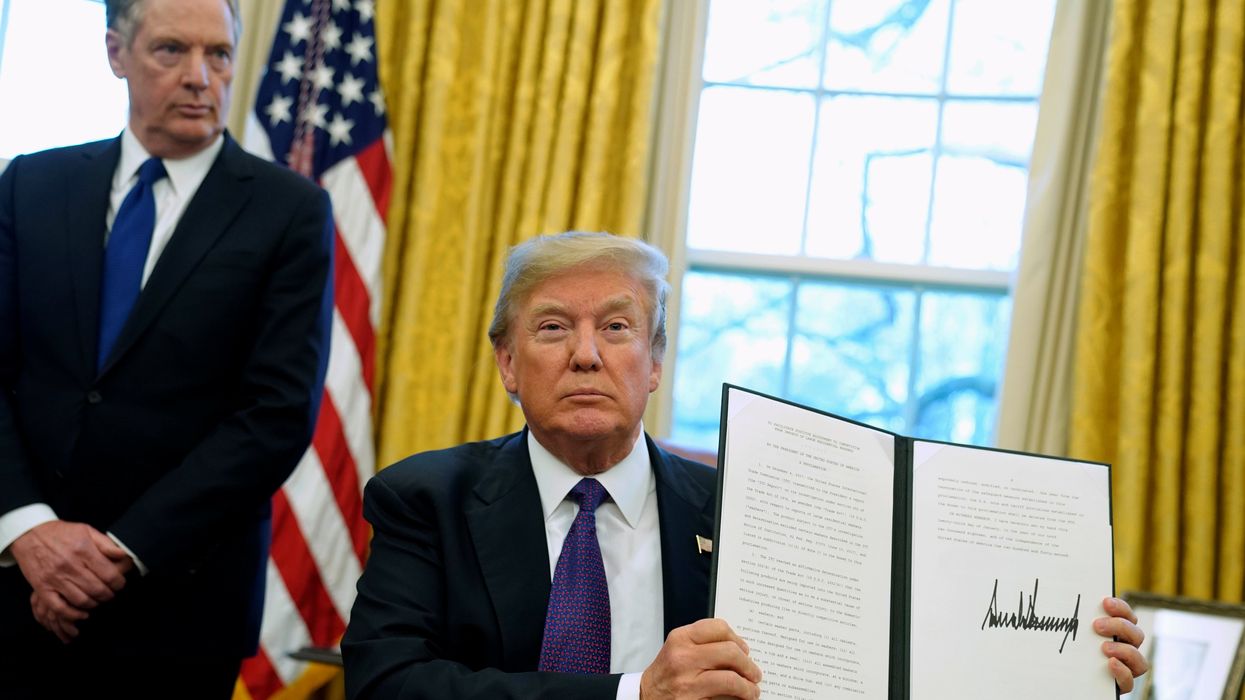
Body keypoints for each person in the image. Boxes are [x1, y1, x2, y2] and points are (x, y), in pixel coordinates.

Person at [341, 231, 1148, 699]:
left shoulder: (751, 508)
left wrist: (1061, 671)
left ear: (656, 362)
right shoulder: (425, 498)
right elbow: (385, 684)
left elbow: (879, 669)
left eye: (617, 328)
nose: (586, 355)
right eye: (553, 328)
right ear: (507, 362)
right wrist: (632, 694)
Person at [0, 0, 332, 696]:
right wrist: (28, 529)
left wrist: (118, 552)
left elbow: (275, 415)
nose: (199, 77)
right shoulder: (31, 184)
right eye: (171, 50)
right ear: (116, 54)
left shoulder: (290, 212)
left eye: (219, 54)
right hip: (15, 587)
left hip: (178, 608)